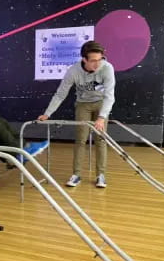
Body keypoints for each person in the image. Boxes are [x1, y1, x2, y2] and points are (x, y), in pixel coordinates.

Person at [38, 41, 115, 188]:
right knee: (80, 140)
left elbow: (110, 96)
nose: (97, 64)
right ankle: (76, 174)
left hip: (101, 103)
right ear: (84, 59)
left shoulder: (107, 68)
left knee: (101, 140)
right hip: (83, 105)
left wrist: (101, 117)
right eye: (93, 61)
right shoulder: (73, 71)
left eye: (100, 59)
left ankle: (101, 175)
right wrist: (47, 113)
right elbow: (60, 94)